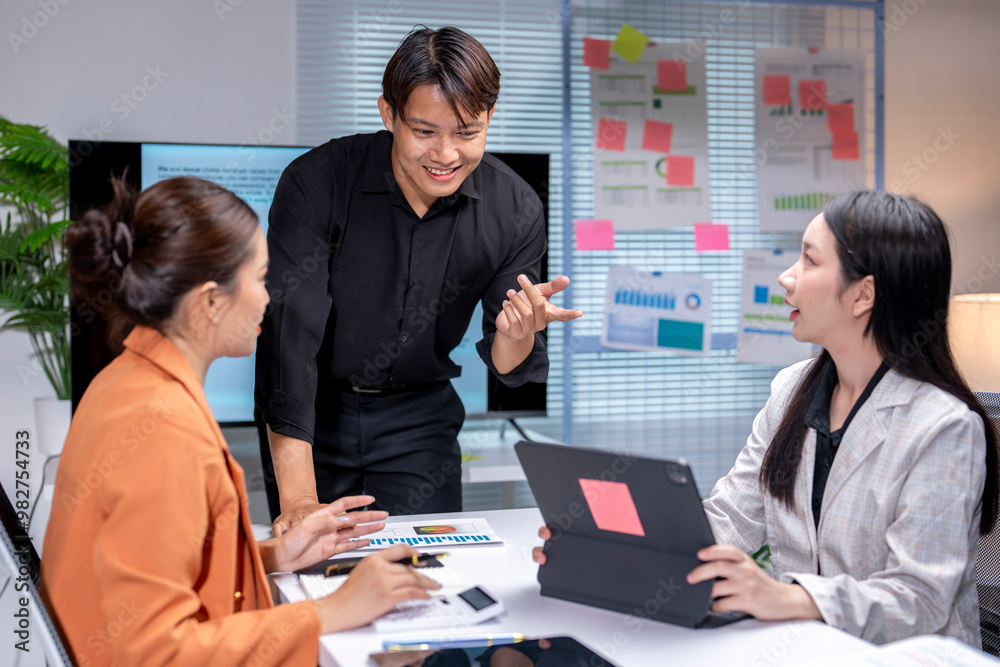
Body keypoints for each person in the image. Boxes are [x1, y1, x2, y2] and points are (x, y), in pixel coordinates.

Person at [533, 190, 999, 646]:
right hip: (799, 648)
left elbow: (920, 600)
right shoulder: (790, 390)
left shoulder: (944, 427)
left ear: (863, 295)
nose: (786, 278)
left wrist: (786, 596)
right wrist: (609, 549)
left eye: (809, 261)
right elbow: (730, 521)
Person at [42, 177, 439, 666]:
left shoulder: (123, 381)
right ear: (210, 301)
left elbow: (167, 568)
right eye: (259, 278)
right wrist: (331, 611)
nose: (268, 298)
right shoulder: (161, 430)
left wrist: (274, 555)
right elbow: (152, 653)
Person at [255, 25, 582, 529]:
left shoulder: (514, 208)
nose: (446, 155)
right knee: (314, 572)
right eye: (425, 132)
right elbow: (289, 344)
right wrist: (299, 502)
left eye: (468, 132)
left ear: (490, 118)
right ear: (389, 114)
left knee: (425, 576)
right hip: (312, 413)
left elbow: (509, 360)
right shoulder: (317, 182)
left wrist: (515, 334)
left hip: (420, 422)